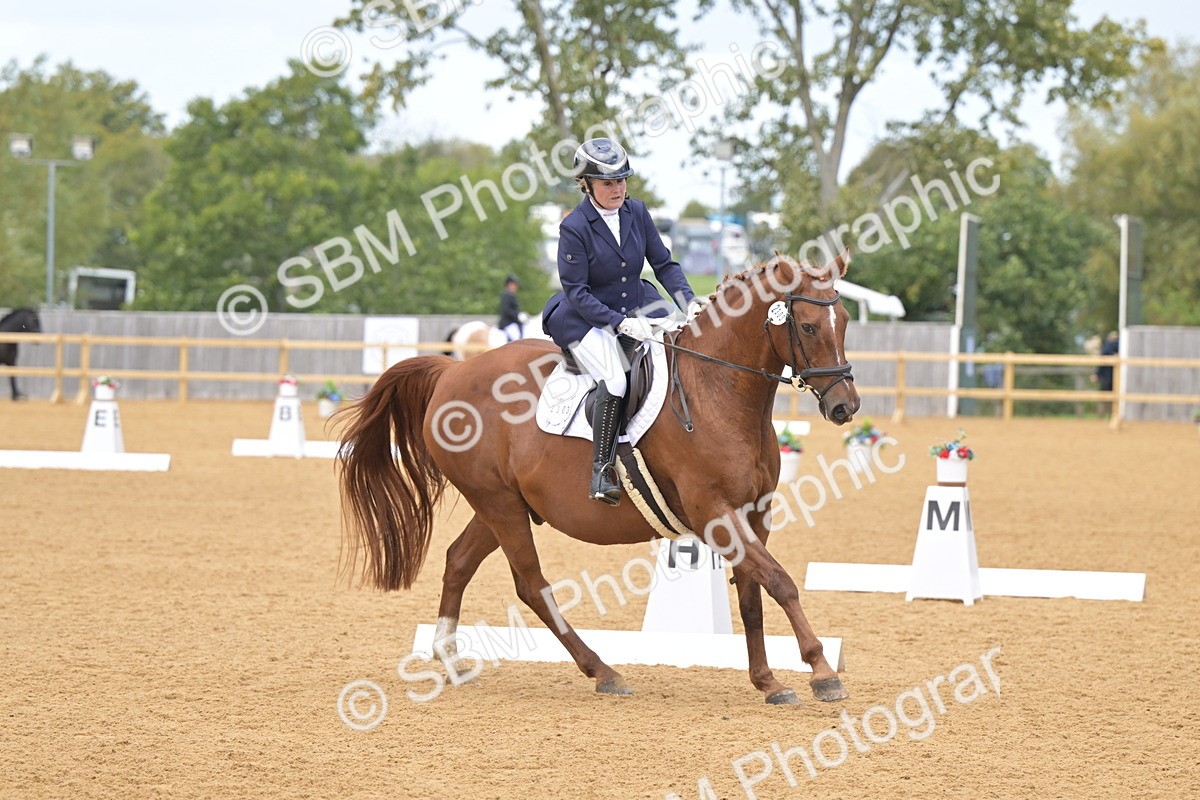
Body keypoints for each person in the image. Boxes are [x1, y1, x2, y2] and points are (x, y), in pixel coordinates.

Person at [541, 137, 702, 505]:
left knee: (677, 350)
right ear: (586, 185)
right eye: (608, 183)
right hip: (586, 315)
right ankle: (602, 470)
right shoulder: (574, 227)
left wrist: (689, 301)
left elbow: (663, 264)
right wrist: (619, 323)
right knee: (615, 378)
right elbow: (577, 292)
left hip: (637, 304)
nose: (617, 189)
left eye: (621, 181)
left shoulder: (637, 212)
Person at [1091, 330, 1119, 414]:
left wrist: (1097, 374)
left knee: (1106, 396)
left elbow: (1101, 363)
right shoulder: (1120, 346)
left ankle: (1106, 413)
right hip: (1113, 377)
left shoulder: (1107, 347)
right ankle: (1110, 413)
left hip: (1108, 377)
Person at [498, 274, 524, 341]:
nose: (514, 287)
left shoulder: (512, 295)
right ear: (508, 285)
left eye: (515, 285)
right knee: (516, 338)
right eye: (512, 285)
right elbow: (506, 310)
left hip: (513, 323)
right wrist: (517, 316)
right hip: (508, 323)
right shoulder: (507, 295)